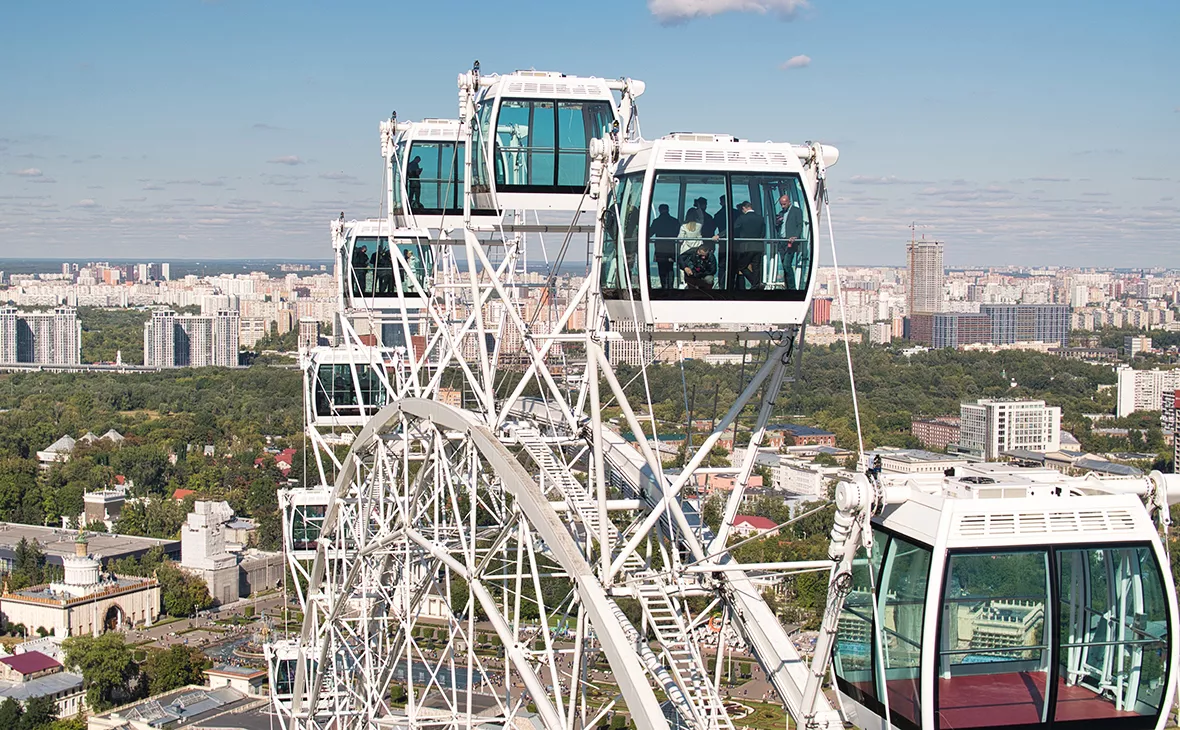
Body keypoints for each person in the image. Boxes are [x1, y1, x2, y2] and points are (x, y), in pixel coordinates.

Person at [730, 201, 765, 290]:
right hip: (758, 246)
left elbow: (732, 229)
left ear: (744, 208)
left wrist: (719, 235)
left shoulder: (742, 218)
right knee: (756, 266)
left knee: (741, 266)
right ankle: (756, 285)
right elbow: (763, 233)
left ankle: (755, 283)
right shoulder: (760, 218)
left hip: (746, 246)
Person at [775, 192, 805, 290]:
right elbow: (778, 228)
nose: (783, 206)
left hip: (790, 242)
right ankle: (788, 286)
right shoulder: (781, 213)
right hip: (782, 241)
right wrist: (777, 222)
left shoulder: (796, 211)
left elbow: (800, 225)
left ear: (789, 202)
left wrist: (795, 236)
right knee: (784, 266)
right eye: (781, 204)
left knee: (787, 264)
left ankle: (792, 288)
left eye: (784, 204)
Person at [649, 203, 681, 289]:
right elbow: (677, 233)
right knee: (670, 268)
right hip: (671, 247)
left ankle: (664, 286)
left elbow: (650, 233)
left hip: (660, 248)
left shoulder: (657, 221)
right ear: (668, 210)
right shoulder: (674, 221)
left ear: (659, 210)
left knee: (661, 268)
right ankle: (670, 286)